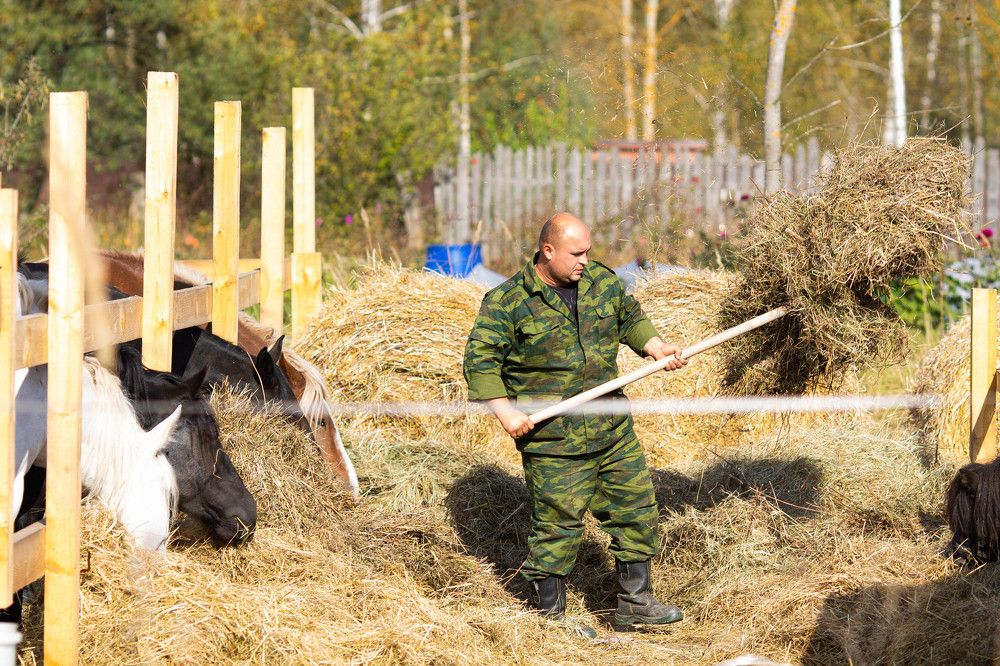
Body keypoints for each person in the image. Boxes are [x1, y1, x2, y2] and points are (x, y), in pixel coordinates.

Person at [463, 212, 688, 634]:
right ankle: (553, 619)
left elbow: (630, 319)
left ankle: (635, 604)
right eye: (576, 253)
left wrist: (655, 347)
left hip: (611, 430)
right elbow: (480, 361)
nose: (585, 260)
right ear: (547, 252)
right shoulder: (507, 302)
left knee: (636, 511)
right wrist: (505, 411)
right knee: (558, 526)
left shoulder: (601, 282)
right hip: (553, 440)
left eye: (588, 251)